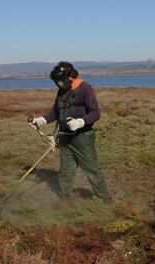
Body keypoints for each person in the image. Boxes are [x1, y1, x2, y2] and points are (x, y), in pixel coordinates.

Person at [30, 61, 112, 203]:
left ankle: (105, 199)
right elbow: (56, 111)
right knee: (66, 170)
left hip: (82, 137)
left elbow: (95, 113)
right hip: (65, 137)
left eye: (60, 81)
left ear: (70, 76)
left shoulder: (85, 88)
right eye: (56, 82)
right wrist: (42, 120)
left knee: (92, 169)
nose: (58, 84)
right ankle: (64, 198)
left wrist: (80, 122)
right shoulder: (62, 90)